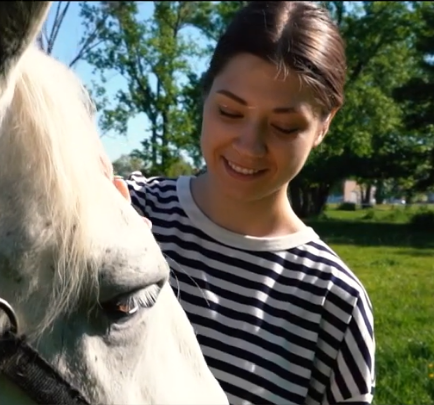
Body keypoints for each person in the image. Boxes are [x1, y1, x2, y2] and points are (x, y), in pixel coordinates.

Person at [103, 2, 375, 404]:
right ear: (206, 93)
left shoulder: (334, 301)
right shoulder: (124, 212)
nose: (249, 147)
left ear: (324, 124)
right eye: (229, 112)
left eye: (285, 126)